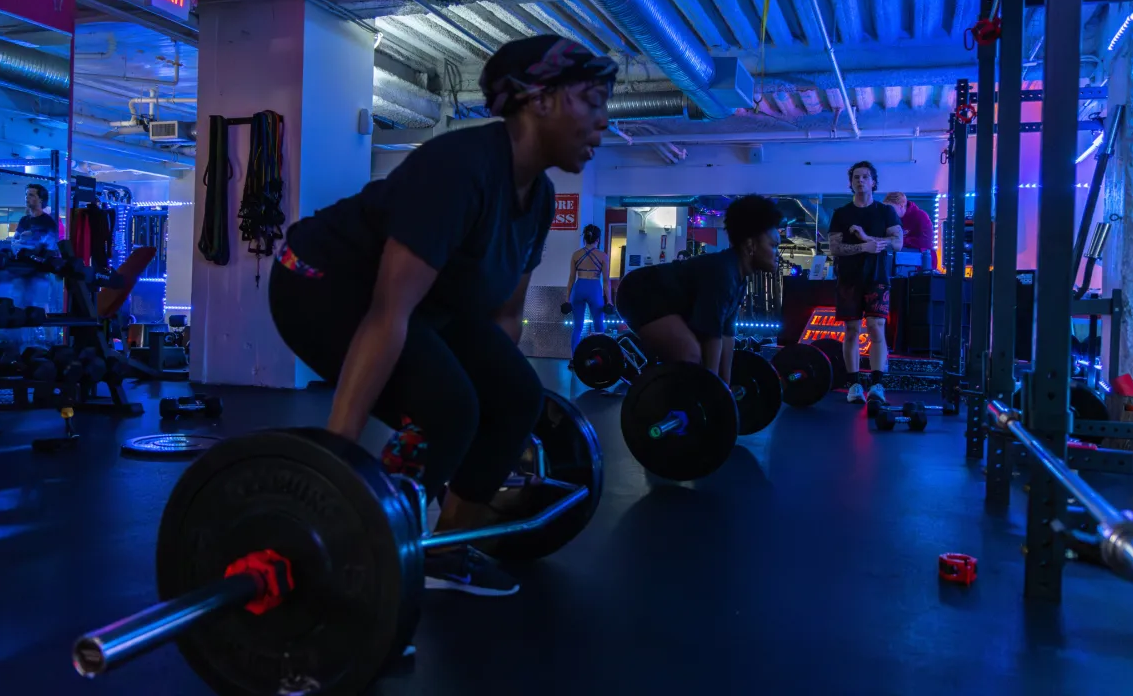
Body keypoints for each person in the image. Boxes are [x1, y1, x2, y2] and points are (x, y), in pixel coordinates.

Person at [269, 35, 615, 599]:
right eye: (593, 101)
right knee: (448, 408)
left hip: (425, 304)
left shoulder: (540, 198)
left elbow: (505, 320)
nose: (603, 122)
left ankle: (447, 548)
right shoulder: (459, 168)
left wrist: (498, 435)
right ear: (541, 99)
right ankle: (366, 540)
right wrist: (337, 459)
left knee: (517, 396)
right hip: (320, 282)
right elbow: (387, 313)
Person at [614, 195, 782, 383]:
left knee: (698, 360)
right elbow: (710, 337)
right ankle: (655, 398)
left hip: (666, 302)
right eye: (774, 246)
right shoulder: (722, 272)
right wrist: (713, 390)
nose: (778, 254)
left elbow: (726, 335)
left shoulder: (740, 278)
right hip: (638, 293)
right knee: (691, 356)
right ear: (751, 245)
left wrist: (726, 386)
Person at [828, 162, 903, 405]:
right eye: (856, 177)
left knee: (876, 328)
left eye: (865, 177)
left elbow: (897, 243)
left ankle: (877, 384)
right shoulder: (841, 214)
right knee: (851, 331)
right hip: (849, 279)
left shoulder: (886, 212)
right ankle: (854, 385)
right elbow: (834, 248)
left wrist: (867, 238)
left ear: (873, 182)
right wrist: (863, 247)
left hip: (877, 277)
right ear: (851, 183)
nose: (860, 180)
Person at [564, 224, 611, 355]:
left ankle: (574, 358)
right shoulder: (603, 256)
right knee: (599, 325)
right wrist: (610, 301)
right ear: (598, 239)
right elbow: (606, 281)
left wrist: (567, 299)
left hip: (578, 287)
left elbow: (571, 279)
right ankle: (601, 355)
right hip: (594, 289)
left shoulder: (576, 255)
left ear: (584, 238)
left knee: (577, 326)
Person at [882, 191, 936, 270]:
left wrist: (899, 241)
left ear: (901, 206)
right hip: (900, 261)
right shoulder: (890, 219)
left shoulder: (921, 216)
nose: (888, 212)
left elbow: (926, 242)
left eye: (891, 209)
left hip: (921, 263)